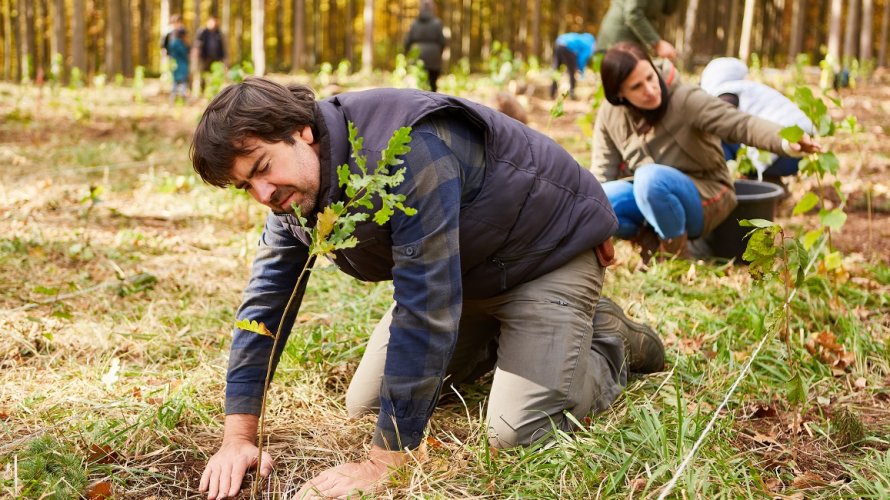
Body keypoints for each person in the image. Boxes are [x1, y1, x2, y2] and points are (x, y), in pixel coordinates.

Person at [191, 77, 666, 499]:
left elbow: (426, 306)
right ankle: (512, 339)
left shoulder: (403, 149)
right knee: (369, 406)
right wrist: (238, 438)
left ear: (301, 132)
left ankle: (607, 339)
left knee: (513, 431)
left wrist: (385, 463)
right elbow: (265, 303)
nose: (263, 195)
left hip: (544, 257)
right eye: (244, 187)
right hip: (464, 274)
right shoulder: (294, 198)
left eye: (260, 168)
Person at [590, 43, 821, 262]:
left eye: (650, 77)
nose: (650, 90)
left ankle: (675, 258)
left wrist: (785, 141)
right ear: (619, 94)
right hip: (649, 195)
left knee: (650, 179)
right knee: (600, 201)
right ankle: (650, 240)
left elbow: (740, 124)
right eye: (636, 87)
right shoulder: (610, 115)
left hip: (705, 192)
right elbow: (602, 173)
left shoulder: (686, 99)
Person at [700, 57, 814, 182]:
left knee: (718, 135)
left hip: (785, 150)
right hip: (803, 146)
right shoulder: (748, 88)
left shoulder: (727, 91)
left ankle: (727, 181)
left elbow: (719, 119)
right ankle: (770, 183)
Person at [597, 0, 679, 60]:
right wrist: (657, 43)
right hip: (616, 41)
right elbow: (633, 14)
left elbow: (668, 10)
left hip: (632, 43)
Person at [403, 0, 446, 92]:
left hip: (417, 57)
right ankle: (434, 105)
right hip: (433, 58)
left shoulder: (414, 23)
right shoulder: (437, 23)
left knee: (416, 87)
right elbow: (442, 41)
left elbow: (407, 42)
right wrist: (439, 54)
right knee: (432, 85)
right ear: (432, 8)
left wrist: (408, 54)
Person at [550, 32, 596, 100]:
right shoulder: (590, 45)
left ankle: (552, 92)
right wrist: (581, 71)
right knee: (572, 71)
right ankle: (572, 93)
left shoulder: (581, 38)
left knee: (556, 69)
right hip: (568, 47)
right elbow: (582, 58)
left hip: (558, 42)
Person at [196, 15, 227, 92]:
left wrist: (223, 58)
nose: (214, 24)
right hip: (205, 57)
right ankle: (202, 90)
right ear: (208, 22)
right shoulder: (203, 32)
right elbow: (198, 44)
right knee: (203, 74)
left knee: (215, 74)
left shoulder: (219, 33)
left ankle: (213, 90)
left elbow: (222, 47)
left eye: (215, 22)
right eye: (212, 22)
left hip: (216, 58)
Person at [168, 27, 190, 102]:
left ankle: (174, 97)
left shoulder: (173, 42)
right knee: (182, 81)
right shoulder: (179, 44)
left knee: (176, 82)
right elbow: (184, 53)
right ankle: (181, 97)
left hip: (175, 65)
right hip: (181, 65)